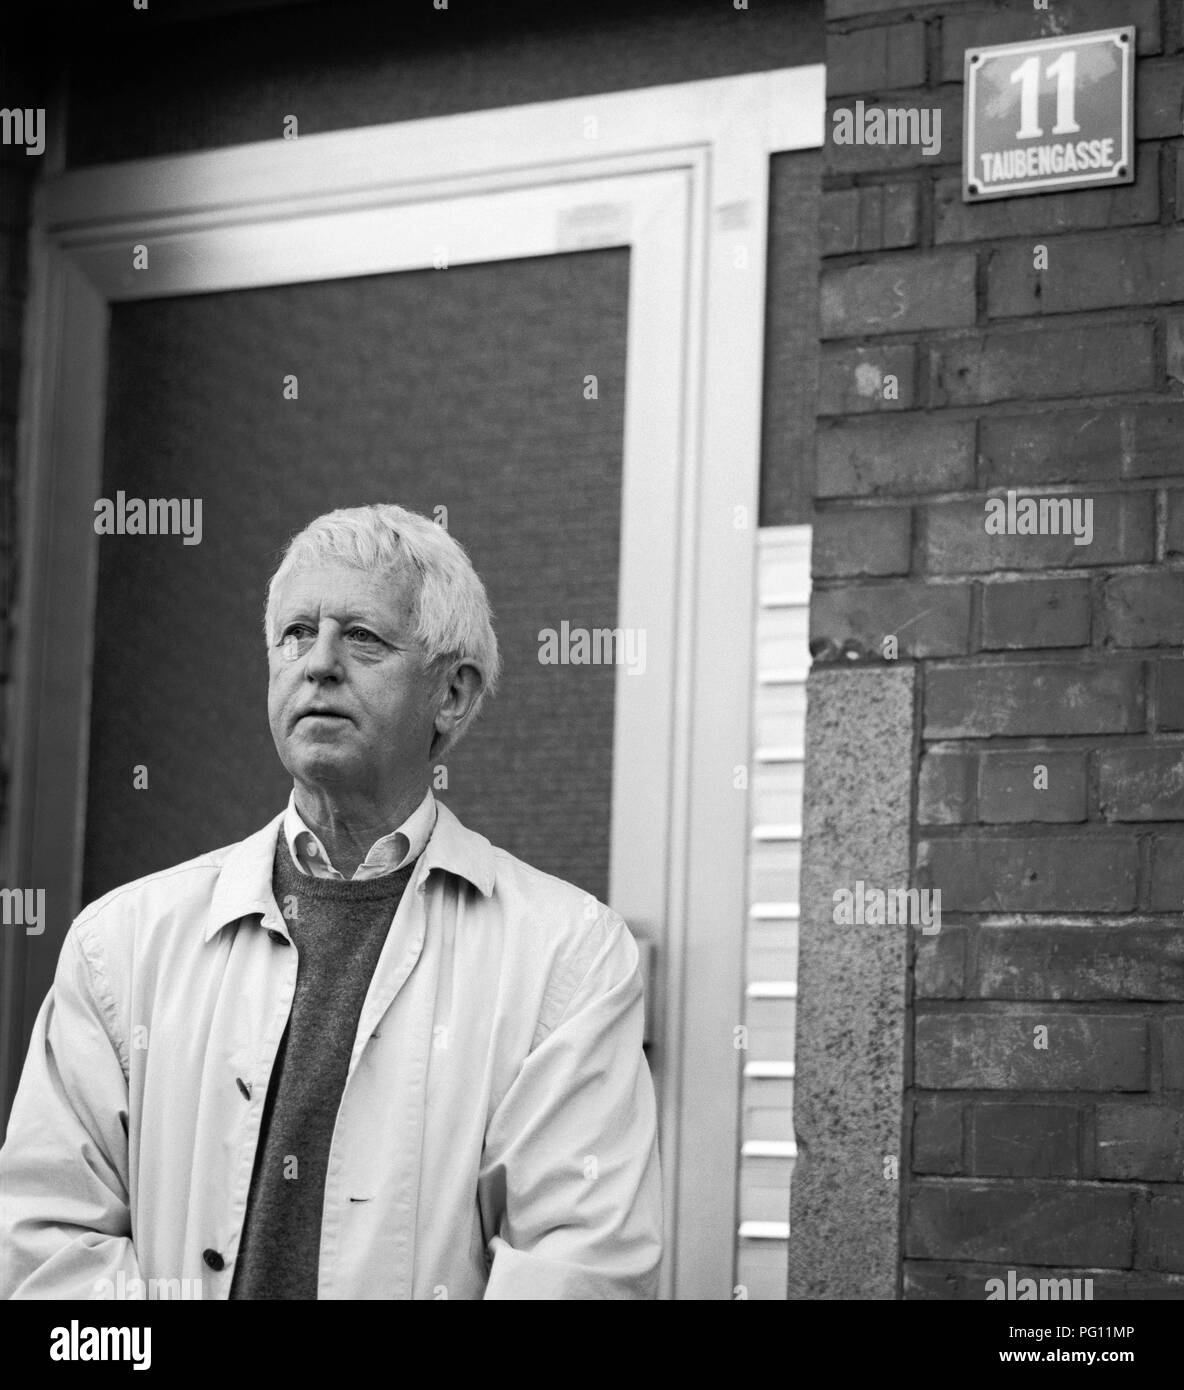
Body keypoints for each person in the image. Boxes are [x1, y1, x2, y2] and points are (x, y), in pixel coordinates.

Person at [0, 503, 662, 1300]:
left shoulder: (569, 956)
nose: (318, 664)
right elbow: (43, 1242)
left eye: (362, 637)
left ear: (451, 693)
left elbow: (580, 1269)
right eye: (296, 635)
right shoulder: (123, 942)